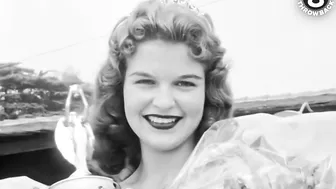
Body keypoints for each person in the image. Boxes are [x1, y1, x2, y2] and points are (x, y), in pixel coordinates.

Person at [83, 0, 233, 188]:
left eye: (184, 83)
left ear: (208, 93)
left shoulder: (247, 181)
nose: (164, 102)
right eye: (146, 82)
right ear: (119, 90)